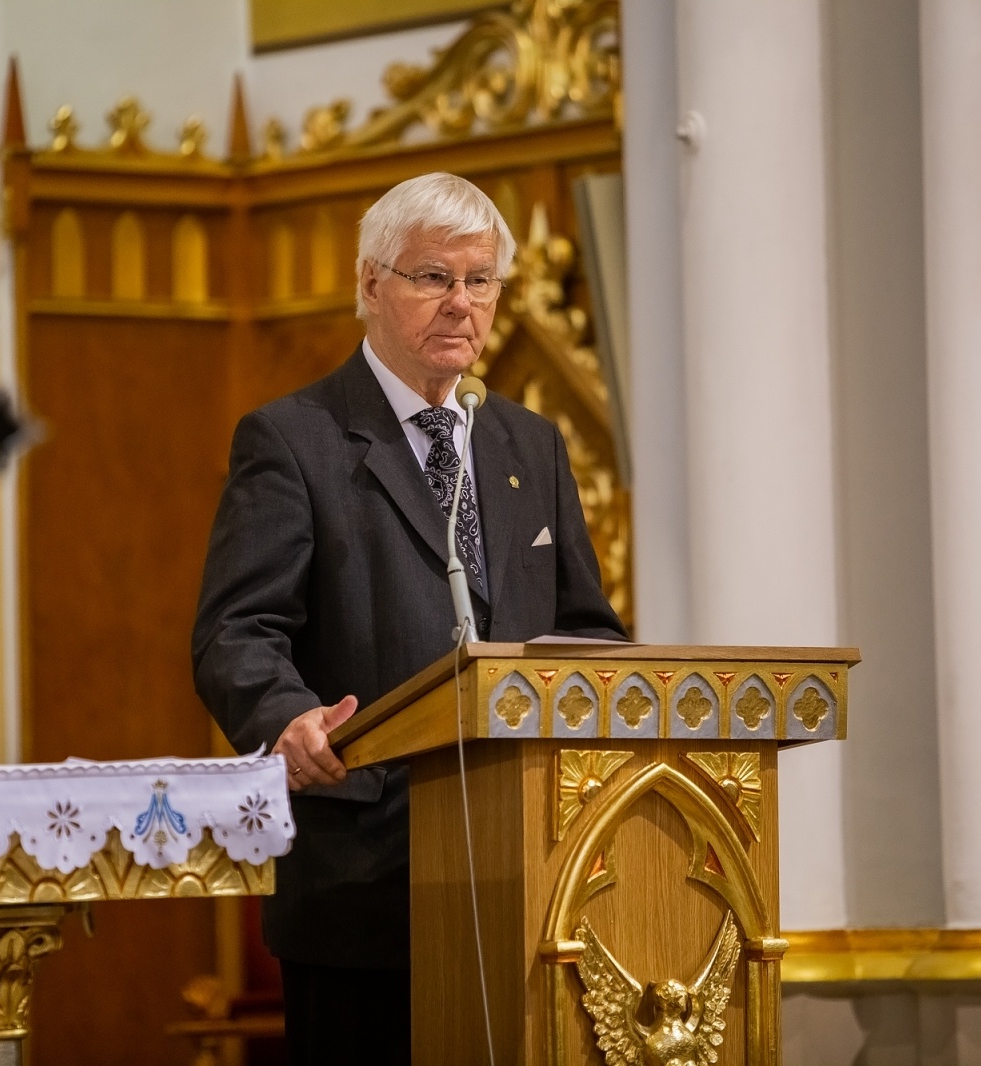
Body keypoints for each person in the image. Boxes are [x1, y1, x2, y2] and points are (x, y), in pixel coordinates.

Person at [192, 171, 627, 1064]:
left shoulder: (528, 445)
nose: (461, 304)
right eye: (433, 277)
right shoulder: (294, 439)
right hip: (364, 875)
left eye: (480, 281)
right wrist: (287, 717)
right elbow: (236, 630)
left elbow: (586, 630)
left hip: (527, 877)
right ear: (369, 285)